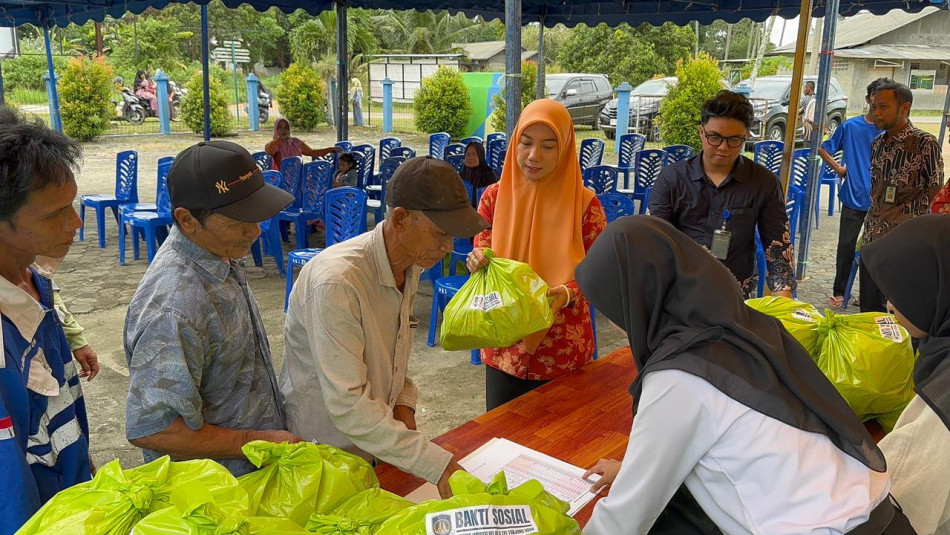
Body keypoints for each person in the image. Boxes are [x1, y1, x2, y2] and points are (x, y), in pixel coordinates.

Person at [577, 216, 911, 534]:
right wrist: (631, 471)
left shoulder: (679, 377)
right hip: (876, 512)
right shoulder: (742, 327)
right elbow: (743, 435)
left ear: (637, 300)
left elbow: (624, 520)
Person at [280, 156, 489, 498]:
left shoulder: (409, 263)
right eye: (441, 233)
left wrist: (404, 405)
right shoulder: (338, 283)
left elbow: (394, 356)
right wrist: (437, 464)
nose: (449, 247)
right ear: (401, 219)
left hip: (377, 447)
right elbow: (348, 405)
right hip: (327, 458)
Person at [124, 141, 302, 477]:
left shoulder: (219, 253)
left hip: (253, 471)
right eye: (238, 220)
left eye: (257, 215)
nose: (255, 230)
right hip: (214, 489)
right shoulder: (173, 306)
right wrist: (253, 440)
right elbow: (155, 429)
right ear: (187, 220)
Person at [466, 99, 607, 411]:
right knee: (500, 439)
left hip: (561, 344)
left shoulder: (585, 205)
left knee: (558, 444)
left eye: (548, 146)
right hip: (505, 342)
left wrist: (566, 294)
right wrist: (478, 260)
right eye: (526, 143)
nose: (533, 156)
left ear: (566, 149)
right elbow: (483, 247)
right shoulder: (494, 196)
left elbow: (600, 275)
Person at [0, 108, 92, 533]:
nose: (74, 224)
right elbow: (10, 491)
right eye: (54, 214)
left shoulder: (37, 285)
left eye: (71, 205)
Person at [649, 90, 796, 299]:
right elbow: (654, 242)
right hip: (677, 293)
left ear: (746, 136)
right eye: (714, 137)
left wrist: (783, 305)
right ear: (701, 132)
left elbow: (778, 249)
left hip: (735, 295)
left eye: (734, 139)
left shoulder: (764, 183)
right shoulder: (672, 178)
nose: (723, 148)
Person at [862, 214, 950, 534]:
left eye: (900, 293)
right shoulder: (940, 350)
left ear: (932, 290)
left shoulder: (941, 405)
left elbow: (892, 503)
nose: (889, 305)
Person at [860, 81, 944, 313]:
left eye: (883, 107)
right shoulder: (878, 143)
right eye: (874, 106)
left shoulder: (925, 144)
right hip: (872, 240)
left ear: (904, 108)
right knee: (869, 312)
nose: (876, 113)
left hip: (904, 245)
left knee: (900, 313)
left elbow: (935, 190)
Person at [819, 78, 889, 308]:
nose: (878, 108)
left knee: (876, 252)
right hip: (853, 198)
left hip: (883, 205)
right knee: (846, 247)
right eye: (875, 101)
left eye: (885, 104)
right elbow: (824, 147)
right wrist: (839, 168)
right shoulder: (851, 127)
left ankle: (871, 296)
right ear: (869, 99)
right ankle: (840, 293)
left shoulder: (890, 131)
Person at [265, 118, 341, 171]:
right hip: (283, 177)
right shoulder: (274, 144)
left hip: (299, 175)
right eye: (280, 128)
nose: (283, 130)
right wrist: (280, 140)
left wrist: (331, 149)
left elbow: (312, 152)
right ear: (276, 129)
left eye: (286, 128)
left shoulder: (296, 142)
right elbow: (269, 152)